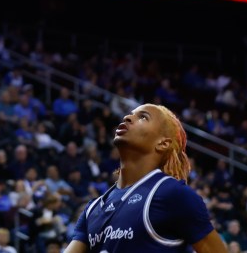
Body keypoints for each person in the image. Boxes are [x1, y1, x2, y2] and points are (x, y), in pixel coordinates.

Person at [64, 103, 227, 253]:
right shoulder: (92, 209)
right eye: (130, 114)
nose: (127, 117)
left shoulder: (172, 194)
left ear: (163, 143)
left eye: (143, 117)